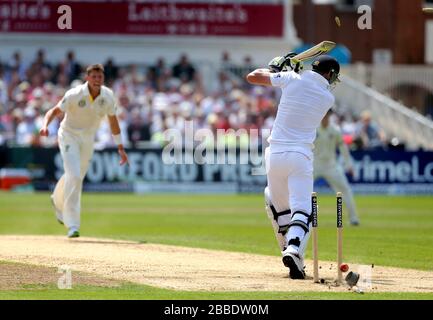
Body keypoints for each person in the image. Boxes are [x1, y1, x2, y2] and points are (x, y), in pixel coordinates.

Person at [246, 55, 340, 279]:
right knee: (302, 209)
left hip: (274, 155)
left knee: (279, 207)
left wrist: (275, 67)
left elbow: (252, 77)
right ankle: (294, 248)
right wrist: (288, 72)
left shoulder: (291, 78)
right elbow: (307, 87)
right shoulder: (328, 97)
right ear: (329, 74)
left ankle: (292, 256)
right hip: (300, 155)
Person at [39, 64, 129, 238]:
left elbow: (113, 122)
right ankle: (72, 224)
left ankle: (57, 199)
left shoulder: (108, 96)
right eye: (94, 77)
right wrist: (44, 126)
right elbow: (54, 111)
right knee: (73, 175)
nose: (97, 80)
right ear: (87, 78)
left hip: (88, 139)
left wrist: (120, 147)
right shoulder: (74, 94)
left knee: (76, 176)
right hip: (68, 135)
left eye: (100, 77)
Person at [314, 110, 360, 226]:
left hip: (331, 165)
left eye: (327, 115)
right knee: (301, 190)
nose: (325, 117)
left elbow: (343, 148)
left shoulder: (335, 130)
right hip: (314, 165)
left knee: (345, 189)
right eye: (323, 115)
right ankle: (295, 219)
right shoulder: (313, 128)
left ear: (329, 116)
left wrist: (349, 164)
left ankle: (353, 218)